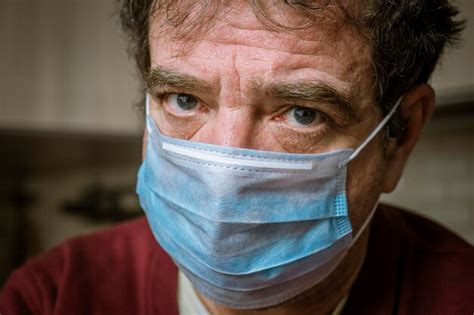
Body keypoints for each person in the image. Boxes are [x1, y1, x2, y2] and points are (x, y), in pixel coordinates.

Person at [1, 1, 473, 314]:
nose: (225, 175)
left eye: (303, 113)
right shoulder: (52, 298)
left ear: (401, 134)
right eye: (184, 99)